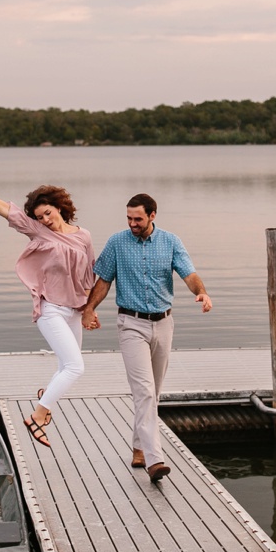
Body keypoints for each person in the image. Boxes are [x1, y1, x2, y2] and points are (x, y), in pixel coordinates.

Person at [0, 167, 95, 450]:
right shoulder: (37, 231)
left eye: (48, 213)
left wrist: (89, 310)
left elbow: (88, 277)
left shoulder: (84, 236)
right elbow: (4, 210)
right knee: (75, 367)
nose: (45, 220)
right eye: (39, 217)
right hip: (51, 311)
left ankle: (47, 398)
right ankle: (37, 415)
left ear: (59, 207)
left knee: (64, 366)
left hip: (74, 309)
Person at [80, 193, 211, 483]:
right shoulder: (117, 242)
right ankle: (155, 460)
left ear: (152, 215)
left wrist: (200, 292)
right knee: (144, 391)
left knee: (155, 391)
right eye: (128, 218)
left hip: (164, 323)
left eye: (137, 218)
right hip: (131, 324)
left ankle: (139, 447)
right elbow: (103, 280)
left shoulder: (171, 242)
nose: (132, 223)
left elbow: (189, 274)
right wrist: (89, 309)